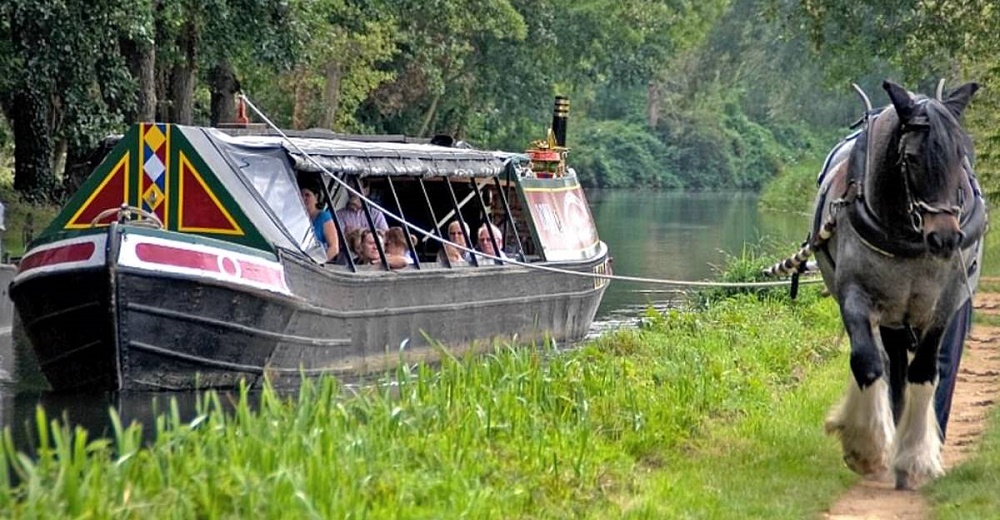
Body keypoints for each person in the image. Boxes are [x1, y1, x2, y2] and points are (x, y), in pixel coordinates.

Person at [300, 184, 339, 262]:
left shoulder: (324, 217)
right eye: (301, 195)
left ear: (316, 196)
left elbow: (334, 248)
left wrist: (318, 263)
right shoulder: (297, 216)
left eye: (307, 195)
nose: (304, 198)